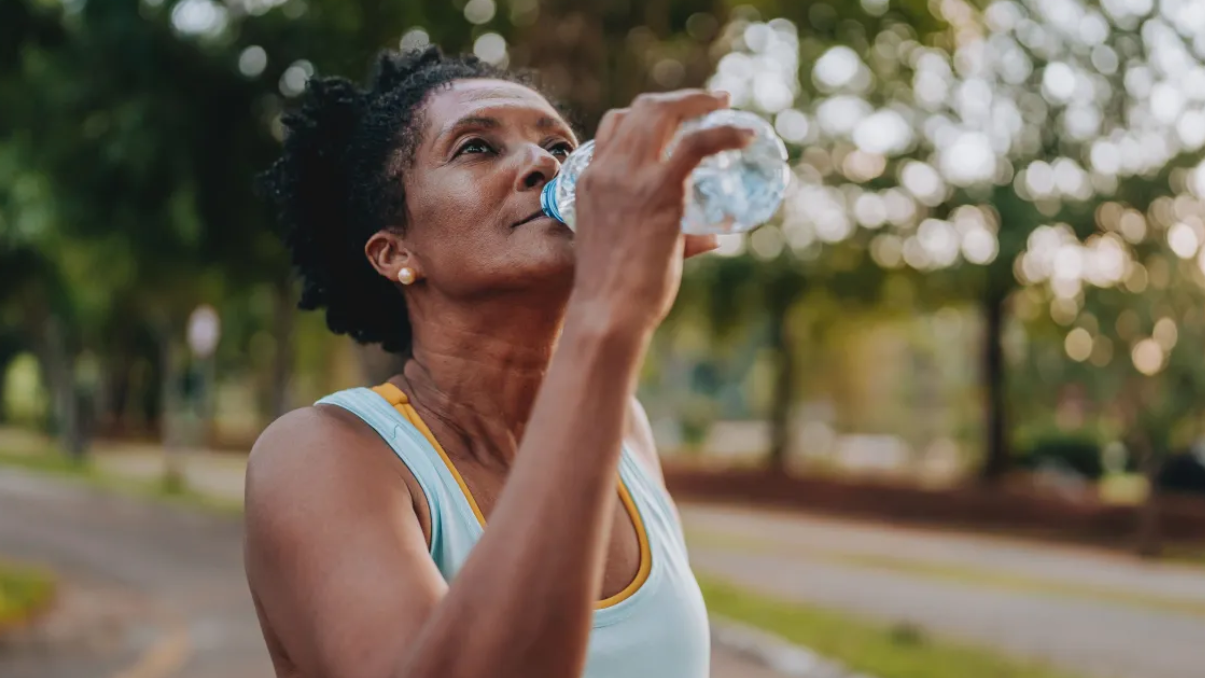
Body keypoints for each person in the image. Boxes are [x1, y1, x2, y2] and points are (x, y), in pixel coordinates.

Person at [245, 45, 754, 678]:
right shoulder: (321, 454)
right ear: (394, 252)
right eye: (477, 147)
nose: (543, 162)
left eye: (563, 149)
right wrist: (611, 316)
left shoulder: (623, 428)